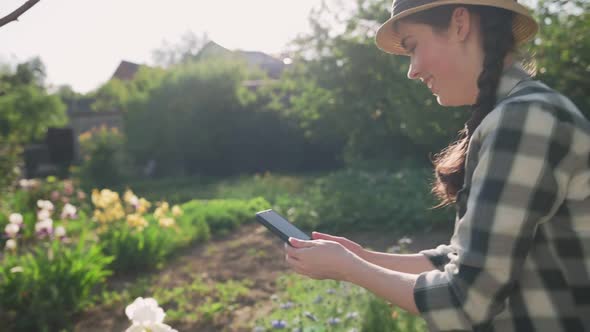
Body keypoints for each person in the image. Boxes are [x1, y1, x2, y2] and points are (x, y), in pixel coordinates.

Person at [284, 0, 590, 331]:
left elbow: (466, 301)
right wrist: (362, 256)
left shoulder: (525, 120)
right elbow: (464, 261)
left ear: (460, 24)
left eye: (413, 47)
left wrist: (350, 268)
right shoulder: (518, 114)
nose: (411, 70)